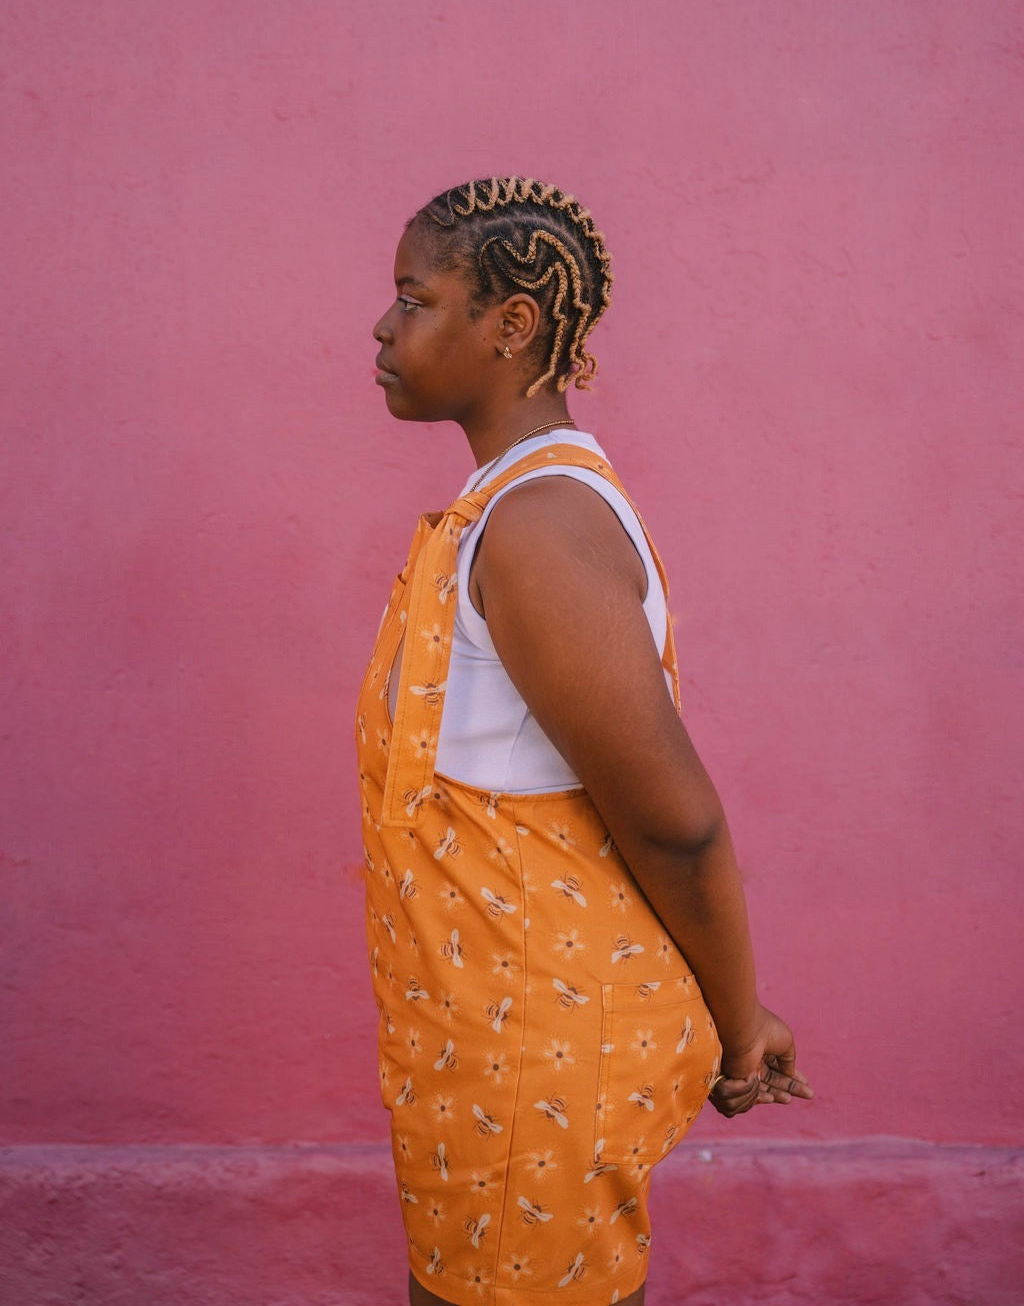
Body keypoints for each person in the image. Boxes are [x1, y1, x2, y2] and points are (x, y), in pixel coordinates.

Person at [357, 177, 812, 1306]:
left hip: (538, 1051)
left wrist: (740, 1023)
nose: (381, 326)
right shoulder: (503, 508)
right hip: (497, 1041)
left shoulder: (538, 527)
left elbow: (676, 822)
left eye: (415, 299)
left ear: (510, 325)